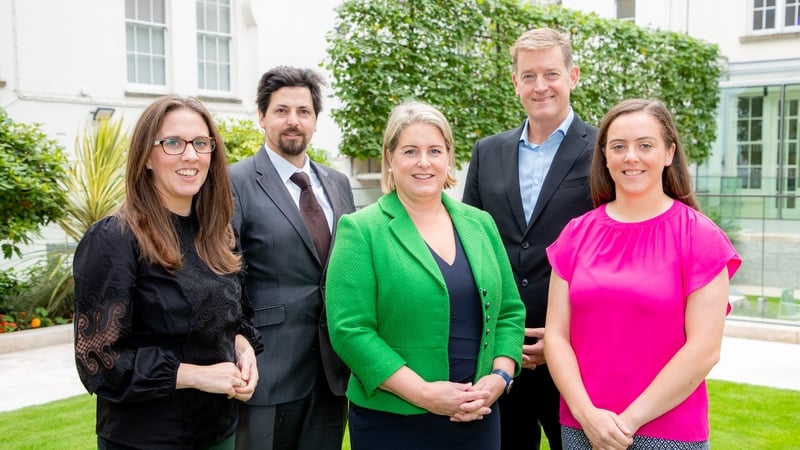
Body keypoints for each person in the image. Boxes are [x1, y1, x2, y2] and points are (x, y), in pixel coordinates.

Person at [325, 101, 526, 450]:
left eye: (434, 150)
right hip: (393, 423)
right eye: (410, 151)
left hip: (476, 416)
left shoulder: (480, 224)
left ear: (448, 156)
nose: (424, 162)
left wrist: (500, 377)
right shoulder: (361, 230)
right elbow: (350, 331)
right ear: (390, 158)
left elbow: (509, 311)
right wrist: (424, 394)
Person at [544, 98, 742, 449]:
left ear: (669, 153)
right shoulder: (575, 234)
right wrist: (587, 414)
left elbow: (704, 349)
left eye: (645, 145)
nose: (630, 157)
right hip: (582, 426)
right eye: (618, 146)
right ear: (604, 156)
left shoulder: (700, 237)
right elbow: (557, 337)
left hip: (668, 431)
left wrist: (626, 422)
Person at [73, 95, 263, 450]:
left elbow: (234, 318)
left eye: (201, 143)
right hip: (147, 439)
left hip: (219, 433)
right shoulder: (114, 239)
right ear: (146, 156)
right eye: (172, 143)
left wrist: (243, 348)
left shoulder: (218, 233)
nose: (190, 155)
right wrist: (196, 376)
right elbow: (98, 362)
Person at [462, 27, 597, 449]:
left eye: (551, 74)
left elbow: (610, 252)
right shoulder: (487, 152)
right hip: (502, 356)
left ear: (572, 76)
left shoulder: (605, 150)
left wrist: (560, 337)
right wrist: (501, 339)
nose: (540, 86)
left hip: (578, 358)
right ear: (515, 82)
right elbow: (471, 245)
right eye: (528, 76)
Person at [230, 66, 355, 450]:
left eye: (303, 111)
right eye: (281, 110)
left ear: (316, 120)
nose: (293, 121)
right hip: (267, 369)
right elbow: (224, 274)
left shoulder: (337, 183)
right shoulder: (234, 181)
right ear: (262, 117)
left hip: (332, 372)